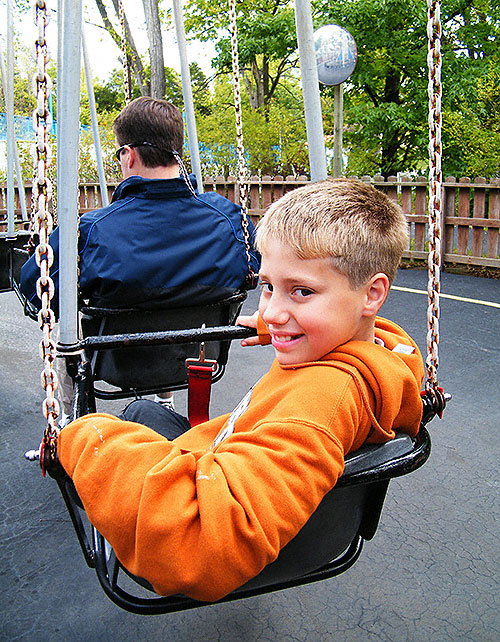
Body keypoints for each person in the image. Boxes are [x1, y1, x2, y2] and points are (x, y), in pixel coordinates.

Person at [56, 178, 425, 602]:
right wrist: (286, 324)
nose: (269, 309)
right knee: (144, 413)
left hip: (214, 493)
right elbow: (343, 330)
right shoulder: (384, 355)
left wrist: (84, 439)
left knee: (135, 417)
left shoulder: (319, 404)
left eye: (301, 291)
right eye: (269, 286)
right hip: (239, 464)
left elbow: (198, 548)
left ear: (372, 293)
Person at [20, 97, 260, 417]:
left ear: (129, 155)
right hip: (196, 359)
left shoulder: (89, 231)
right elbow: (253, 269)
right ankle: (164, 401)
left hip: (112, 366)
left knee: (64, 334)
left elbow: (36, 287)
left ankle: (67, 424)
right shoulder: (231, 220)